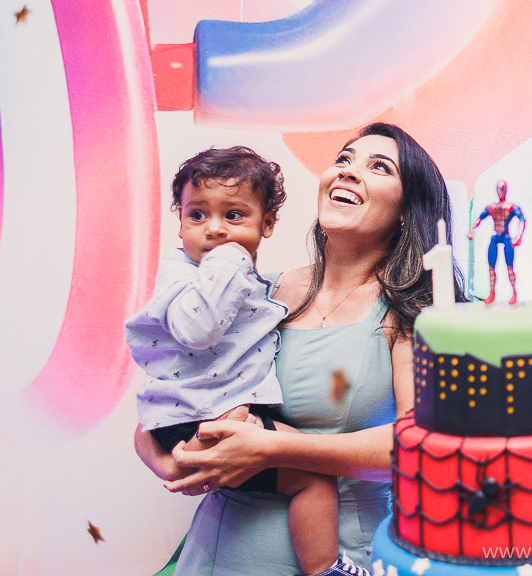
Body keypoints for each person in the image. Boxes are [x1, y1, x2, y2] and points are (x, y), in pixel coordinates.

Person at [133, 123, 463, 576]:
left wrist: (272, 449)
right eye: (344, 159)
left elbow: (420, 448)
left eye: (378, 166)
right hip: (213, 551)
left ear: (408, 208)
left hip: (337, 553)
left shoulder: (413, 315)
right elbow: (176, 392)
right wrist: (166, 459)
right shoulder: (259, 292)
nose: (348, 172)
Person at [126, 147, 348, 576]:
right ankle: (325, 570)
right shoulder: (187, 275)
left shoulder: (250, 282)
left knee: (309, 476)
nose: (213, 230)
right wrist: (232, 256)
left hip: (209, 413)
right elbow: (196, 329)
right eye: (197, 215)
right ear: (180, 220)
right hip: (199, 417)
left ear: (267, 224)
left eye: (233, 216)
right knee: (314, 481)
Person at [467, 179, 526, 303]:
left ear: (506, 190)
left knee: (509, 267)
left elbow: (522, 219)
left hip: (506, 236)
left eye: (503, 188)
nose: (501, 191)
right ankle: (492, 294)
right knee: (491, 266)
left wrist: (518, 236)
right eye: (499, 189)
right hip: (496, 236)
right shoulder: (492, 208)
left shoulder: (511, 207)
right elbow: (479, 218)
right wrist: (472, 230)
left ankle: (514, 293)